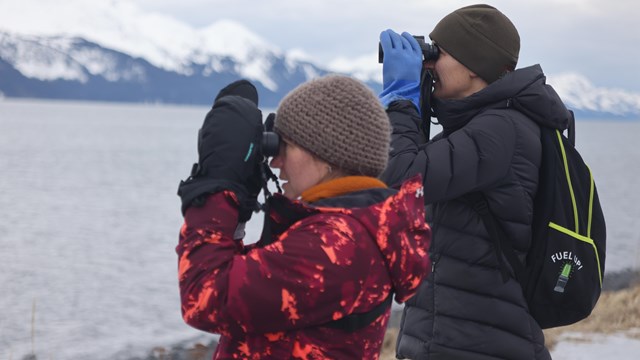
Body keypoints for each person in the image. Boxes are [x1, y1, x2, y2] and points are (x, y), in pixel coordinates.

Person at [176, 74, 432, 359]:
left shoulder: (336, 243)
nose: (275, 161)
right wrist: (239, 209)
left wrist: (218, 186)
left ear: (325, 155)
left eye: (284, 145)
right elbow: (235, 276)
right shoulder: (352, 230)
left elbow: (206, 296)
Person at [378, 4, 573, 360]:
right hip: (461, 338)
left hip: (480, 344)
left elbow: (401, 178)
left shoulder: (501, 130)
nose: (428, 63)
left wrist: (402, 102)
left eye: (437, 53)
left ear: (473, 65)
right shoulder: (479, 130)